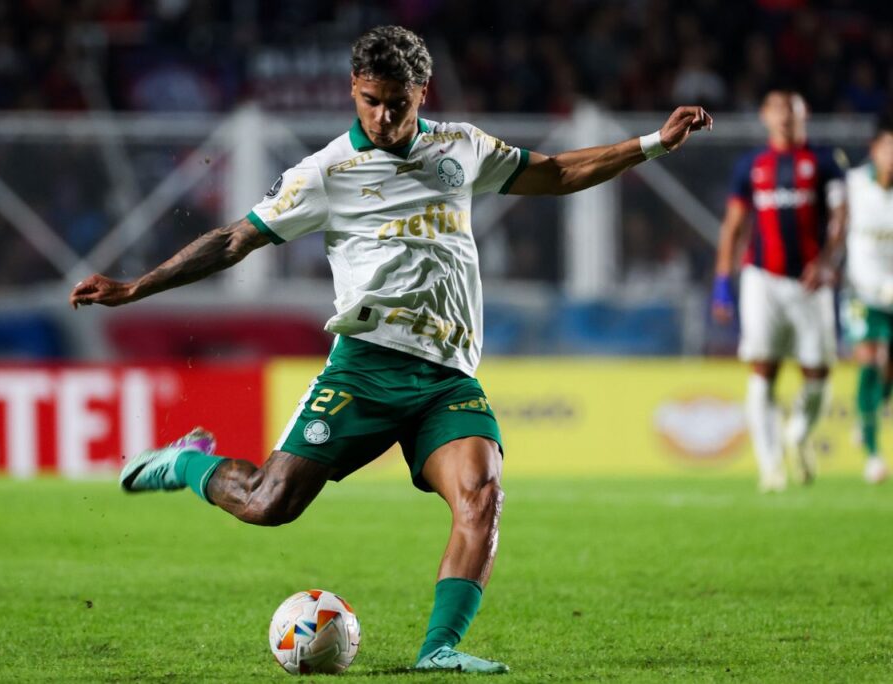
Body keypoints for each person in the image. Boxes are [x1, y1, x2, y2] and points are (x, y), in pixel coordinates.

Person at [70, 25, 711, 673]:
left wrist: (655, 143)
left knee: (482, 496)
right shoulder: (325, 173)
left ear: (420, 94)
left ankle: (439, 649)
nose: (382, 116)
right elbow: (235, 240)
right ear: (354, 90)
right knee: (269, 504)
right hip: (367, 367)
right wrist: (135, 287)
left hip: (448, 378)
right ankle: (188, 466)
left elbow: (557, 172)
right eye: (370, 100)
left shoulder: (459, 148)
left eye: (396, 103)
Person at [712, 90, 847, 492]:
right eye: (778, 109)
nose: (786, 116)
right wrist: (722, 282)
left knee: (818, 373)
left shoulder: (824, 161)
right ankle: (770, 466)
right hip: (762, 279)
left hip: (810, 281)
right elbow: (734, 225)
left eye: (793, 109)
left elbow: (841, 216)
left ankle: (800, 435)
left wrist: (826, 262)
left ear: (805, 114)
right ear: (765, 116)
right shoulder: (752, 165)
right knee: (763, 369)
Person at [843, 115, 893, 484]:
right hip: (861, 292)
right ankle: (873, 456)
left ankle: (868, 416)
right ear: (874, 151)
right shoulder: (854, 185)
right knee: (871, 358)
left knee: (888, 369)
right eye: (887, 148)